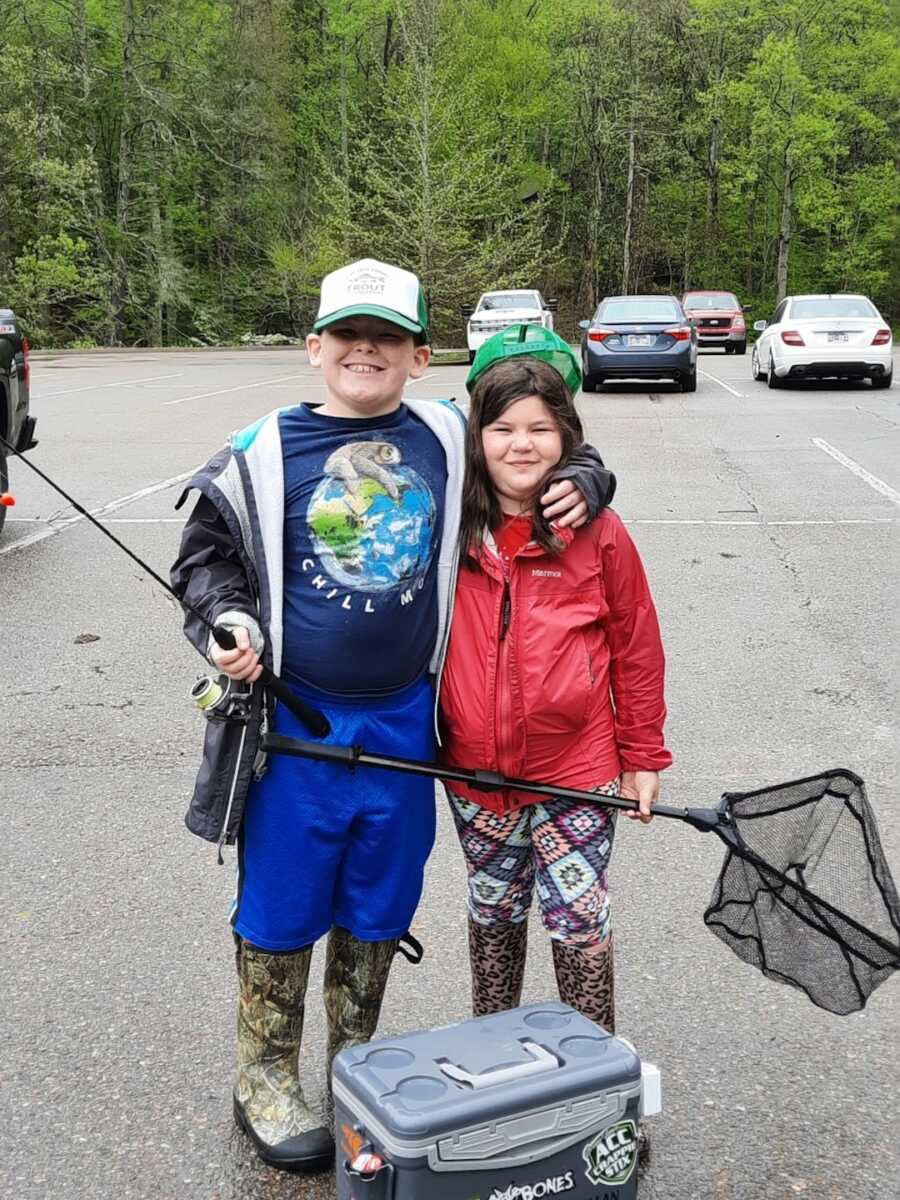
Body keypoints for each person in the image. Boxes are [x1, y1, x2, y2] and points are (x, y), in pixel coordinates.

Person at [170, 261, 616, 1175]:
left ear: (420, 356)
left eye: (384, 335)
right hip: (297, 728)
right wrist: (228, 621)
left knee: (379, 900)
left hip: (407, 725)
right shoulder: (255, 452)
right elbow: (205, 564)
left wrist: (591, 473)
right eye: (345, 334)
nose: (362, 348)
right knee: (283, 901)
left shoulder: (448, 438)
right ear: (315, 349)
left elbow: (535, 439)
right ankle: (263, 1073)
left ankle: (352, 1066)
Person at [438, 324, 672, 1039]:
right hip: (475, 779)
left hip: (579, 774)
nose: (521, 444)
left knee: (579, 922)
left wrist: (642, 756)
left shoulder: (599, 532)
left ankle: (592, 1082)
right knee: (493, 914)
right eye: (503, 427)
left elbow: (636, 645)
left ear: (568, 436)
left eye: (541, 428)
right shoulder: (446, 525)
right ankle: (494, 1059)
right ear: (476, 435)